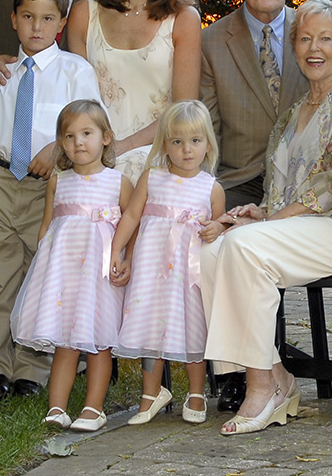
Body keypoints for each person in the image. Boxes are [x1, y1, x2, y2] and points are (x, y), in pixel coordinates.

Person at [200, 0, 332, 436]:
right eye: (305, 38)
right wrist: (254, 213)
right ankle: (276, 374)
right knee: (208, 251)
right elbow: (281, 193)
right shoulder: (294, 114)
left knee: (244, 247)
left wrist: (265, 224)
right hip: (294, 228)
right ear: (294, 47)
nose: (314, 47)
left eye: (326, 39)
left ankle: (259, 387)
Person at [0, 0, 103, 400]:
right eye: (27, 17)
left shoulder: (76, 71)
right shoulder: (1, 72)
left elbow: (91, 127)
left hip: (49, 189)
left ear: (59, 24)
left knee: (42, 278)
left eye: (47, 19)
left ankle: (31, 371)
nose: (36, 27)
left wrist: (58, 148)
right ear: (14, 20)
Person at [199, 0, 309, 411]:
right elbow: (206, 132)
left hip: (304, 182)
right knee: (208, 236)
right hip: (240, 175)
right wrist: (210, 197)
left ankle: (256, 370)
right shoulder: (211, 41)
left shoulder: (316, 28)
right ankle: (246, 369)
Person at [10, 99, 132, 432]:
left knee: (99, 340)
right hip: (64, 271)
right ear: (61, 143)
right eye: (69, 136)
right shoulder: (58, 180)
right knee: (65, 341)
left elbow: (130, 225)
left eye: (87, 133)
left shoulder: (118, 181)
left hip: (99, 273)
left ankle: (94, 407)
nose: (78, 142)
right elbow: (47, 225)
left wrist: (125, 258)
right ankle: (57, 407)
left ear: (105, 137)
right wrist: (44, 264)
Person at [110, 100, 225, 425]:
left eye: (195, 141)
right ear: (165, 144)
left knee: (193, 327)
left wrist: (217, 228)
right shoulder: (153, 178)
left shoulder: (211, 188)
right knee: (149, 324)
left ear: (208, 144)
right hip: (151, 269)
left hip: (189, 275)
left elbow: (218, 231)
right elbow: (132, 215)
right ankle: (151, 394)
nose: (186, 150)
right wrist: (117, 251)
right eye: (177, 141)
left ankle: (197, 392)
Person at [68, 0, 201, 184]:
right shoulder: (83, 14)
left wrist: (124, 148)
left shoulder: (183, 19)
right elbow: (76, 103)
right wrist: (100, 151)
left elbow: (183, 107)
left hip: (162, 162)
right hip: (93, 160)